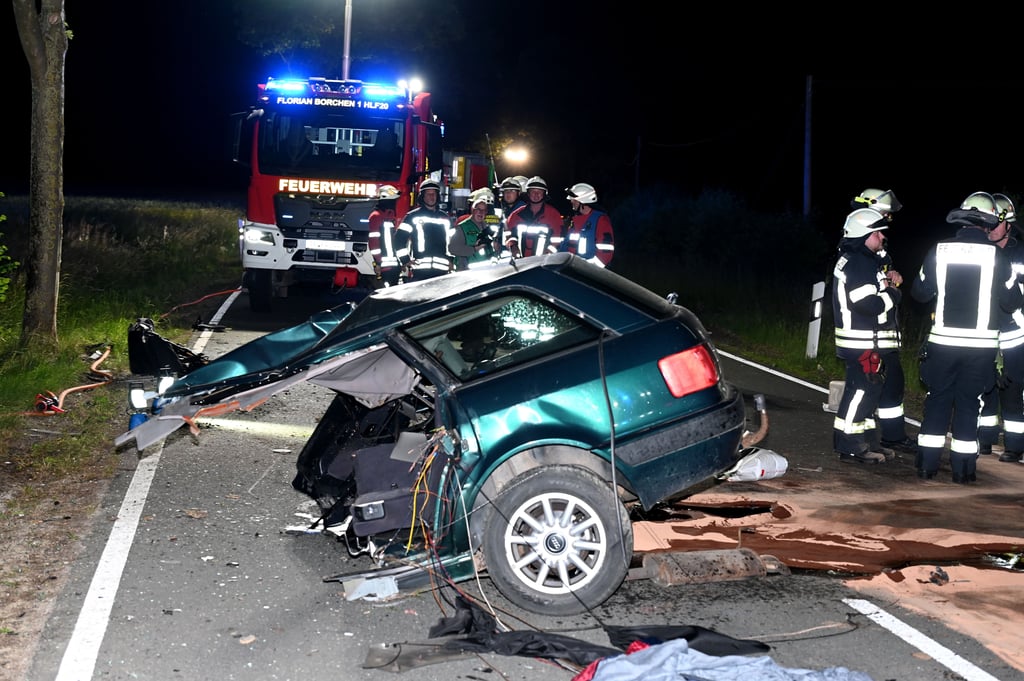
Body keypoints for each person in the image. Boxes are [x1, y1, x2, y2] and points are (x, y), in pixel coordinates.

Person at [910, 191, 1024, 483]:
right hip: (980, 348)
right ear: (986, 224)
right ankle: (963, 470)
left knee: (937, 401)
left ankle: (926, 465)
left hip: (943, 343)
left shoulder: (940, 250)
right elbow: (1011, 302)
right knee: (969, 405)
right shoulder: (997, 256)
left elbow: (920, 293)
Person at [831, 208, 902, 464]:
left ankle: (867, 441)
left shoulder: (862, 260)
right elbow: (867, 305)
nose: (882, 236)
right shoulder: (859, 262)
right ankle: (849, 445)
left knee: (869, 392)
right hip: (861, 341)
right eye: (878, 232)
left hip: (865, 340)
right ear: (865, 234)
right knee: (861, 391)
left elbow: (871, 292)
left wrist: (887, 281)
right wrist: (893, 293)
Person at [849, 188, 916, 454]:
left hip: (882, 328)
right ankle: (883, 437)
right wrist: (891, 292)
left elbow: (884, 275)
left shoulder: (875, 246)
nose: (888, 218)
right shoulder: (860, 248)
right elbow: (867, 294)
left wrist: (892, 279)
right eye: (885, 212)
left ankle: (888, 435)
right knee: (876, 384)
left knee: (891, 382)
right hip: (870, 332)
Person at [978, 193, 1024, 463]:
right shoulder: (982, 249)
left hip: (1015, 332)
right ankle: (985, 439)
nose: (988, 229)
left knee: (1012, 386)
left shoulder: (1020, 253)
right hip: (984, 329)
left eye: (993, 223)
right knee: (984, 384)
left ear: (1008, 224)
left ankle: (1015, 445)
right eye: (985, 224)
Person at [395, 178, 454, 280]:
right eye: (428, 194)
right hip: (420, 272)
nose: (432, 197)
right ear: (422, 196)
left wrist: (452, 261)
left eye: (434, 194)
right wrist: (405, 260)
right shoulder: (412, 217)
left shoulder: (445, 218)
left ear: (438, 196)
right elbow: (398, 239)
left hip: (442, 271)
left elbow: (453, 243)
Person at [557, 182, 615, 267]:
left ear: (583, 201)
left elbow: (605, 254)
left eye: (574, 199)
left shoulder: (601, 220)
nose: (571, 201)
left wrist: (588, 270)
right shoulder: (575, 221)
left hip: (588, 274)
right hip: (572, 270)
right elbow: (566, 246)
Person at [504, 176, 563, 258]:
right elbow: (508, 235)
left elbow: (558, 240)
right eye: (533, 191)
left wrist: (548, 254)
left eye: (540, 191)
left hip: (544, 264)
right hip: (520, 262)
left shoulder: (553, 215)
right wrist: (512, 246)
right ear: (528, 193)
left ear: (544, 194)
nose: (536, 194)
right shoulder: (516, 215)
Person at [450, 189, 497, 271]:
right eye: (478, 209)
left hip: (486, 273)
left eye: (483, 210)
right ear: (473, 210)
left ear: (486, 212)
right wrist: (474, 249)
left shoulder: (487, 228)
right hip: (467, 274)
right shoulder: (462, 227)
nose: (481, 212)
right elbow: (453, 249)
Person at [367, 185, 402, 287]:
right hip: (385, 266)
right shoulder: (376, 216)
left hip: (394, 264)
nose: (395, 203)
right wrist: (378, 262)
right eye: (393, 200)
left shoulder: (389, 216)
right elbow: (374, 243)